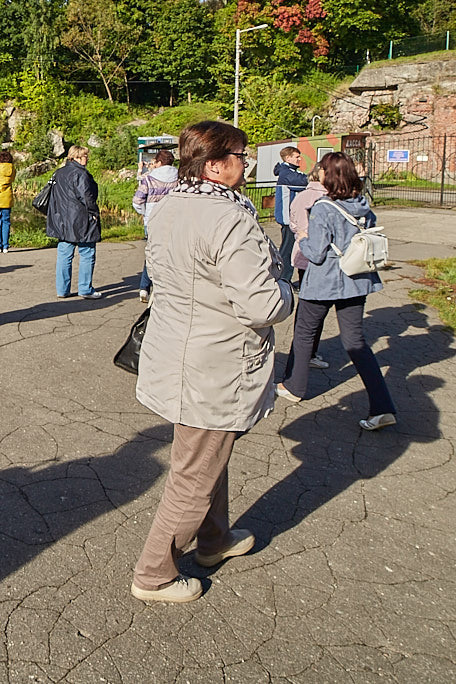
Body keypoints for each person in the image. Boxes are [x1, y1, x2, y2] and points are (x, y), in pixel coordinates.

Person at [131, 121, 294, 604]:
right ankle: (154, 573)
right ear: (216, 165)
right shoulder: (230, 218)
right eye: (242, 155)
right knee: (195, 471)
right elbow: (261, 305)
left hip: (179, 350)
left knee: (205, 454)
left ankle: (215, 538)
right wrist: (289, 290)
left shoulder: (168, 205)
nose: (248, 163)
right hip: (216, 359)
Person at [280, 151, 396, 430]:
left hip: (324, 281)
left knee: (305, 332)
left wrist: (304, 239)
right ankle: (382, 406)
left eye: (321, 169)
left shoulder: (323, 208)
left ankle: (295, 386)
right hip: (356, 279)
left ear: (328, 175)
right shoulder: (363, 206)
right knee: (355, 342)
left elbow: (316, 253)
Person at [282, 161, 330, 374]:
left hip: (301, 253)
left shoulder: (301, 196)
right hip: (319, 255)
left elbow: (293, 224)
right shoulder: (326, 199)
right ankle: (307, 354)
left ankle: (303, 354)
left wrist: (300, 235)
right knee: (315, 311)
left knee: (307, 308)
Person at [45, 145, 102, 299]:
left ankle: (62, 290)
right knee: (87, 253)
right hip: (81, 219)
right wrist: (94, 213)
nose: (87, 158)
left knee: (64, 254)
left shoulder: (59, 172)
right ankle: (85, 288)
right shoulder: (81, 174)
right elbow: (87, 197)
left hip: (62, 218)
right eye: (84, 156)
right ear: (77, 157)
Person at [132, 148, 178, 302]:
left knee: (152, 254)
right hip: (174, 219)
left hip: (152, 219)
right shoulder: (180, 178)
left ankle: (144, 287)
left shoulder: (150, 178)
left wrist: (145, 212)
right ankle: (166, 288)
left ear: (159, 162)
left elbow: (137, 201)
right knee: (172, 255)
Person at [274, 145, 308, 282]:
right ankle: (283, 279)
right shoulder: (286, 173)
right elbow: (303, 181)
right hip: (288, 219)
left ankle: (284, 278)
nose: (299, 159)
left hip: (291, 219)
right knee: (287, 251)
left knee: (289, 249)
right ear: (288, 158)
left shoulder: (289, 171)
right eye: (296, 157)